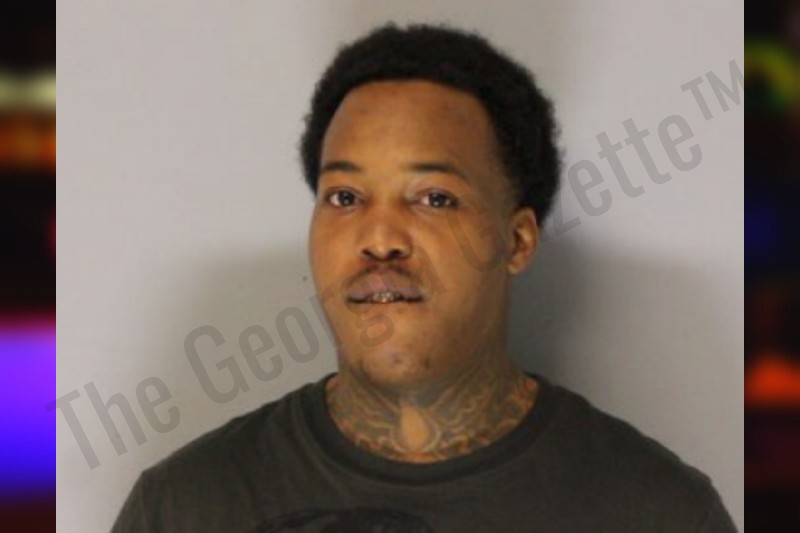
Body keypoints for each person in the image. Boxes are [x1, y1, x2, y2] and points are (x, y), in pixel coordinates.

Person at [112, 23, 736, 532]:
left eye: (434, 198)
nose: (379, 238)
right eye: (345, 197)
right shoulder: (183, 508)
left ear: (517, 240)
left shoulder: (661, 513)